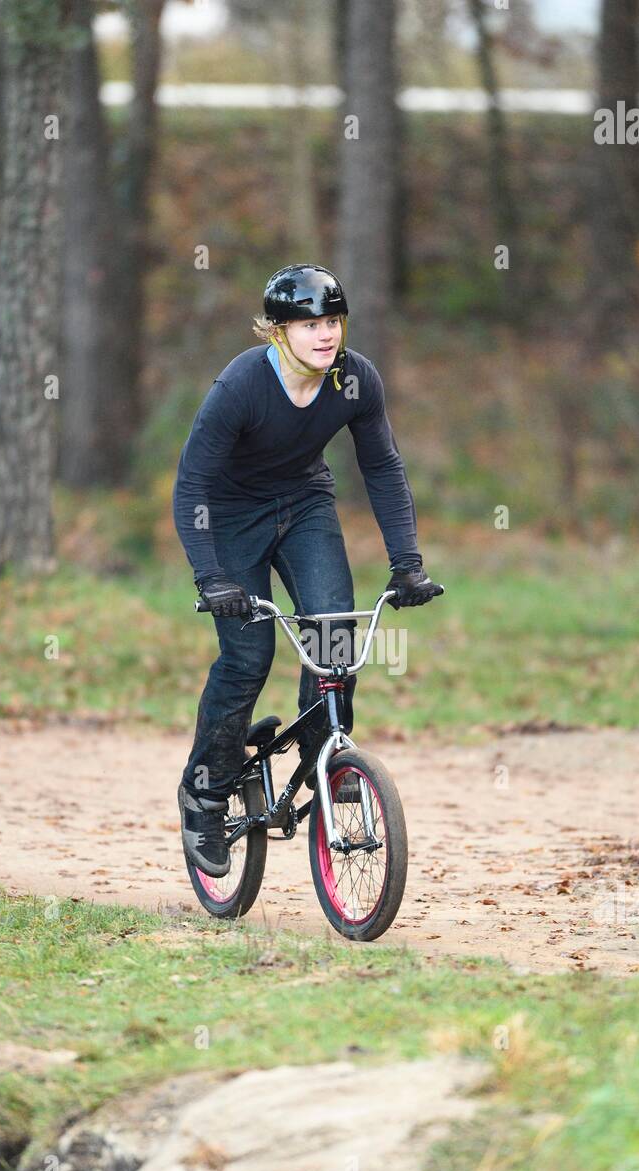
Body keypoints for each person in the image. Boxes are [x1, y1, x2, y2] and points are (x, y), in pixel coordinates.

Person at [173, 263, 442, 877]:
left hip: (304, 505)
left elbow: (383, 467)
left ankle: (326, 759)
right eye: (310, 324)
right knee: (247, 657)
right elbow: (193, 483)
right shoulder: (242, 385)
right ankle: (205, 794)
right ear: (277, 331)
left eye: (333, 322)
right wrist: (210, 575)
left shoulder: (353, 379)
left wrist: (407, 565)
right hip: (232, 515)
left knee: (335, 637)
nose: (326, 335)